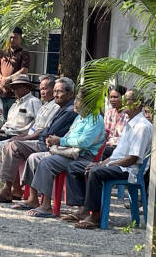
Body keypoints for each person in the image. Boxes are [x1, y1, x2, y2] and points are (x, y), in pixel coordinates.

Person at [61, 89, 152, 229]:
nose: (123, 103)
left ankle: (95, 216)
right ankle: (82, 209)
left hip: (129, 170)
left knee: (96, 172)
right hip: (118, 164)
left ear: (138, 104)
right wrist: (101, 163)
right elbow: (117, 154)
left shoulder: (142, 126)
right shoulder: (130, 123)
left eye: (127, 100)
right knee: (75, 167)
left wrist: (103, 166)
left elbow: (131, 159)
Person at [0, 77, 77, 203]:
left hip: (49, 145)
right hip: (41, 140)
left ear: (70, 94)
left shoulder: (68, 110)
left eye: (59, 91)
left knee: (13, 146)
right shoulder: (58, 107)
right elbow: (45, 129)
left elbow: (49, 131)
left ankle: (10, 189)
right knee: (5, 145)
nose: (55, 94)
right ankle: (12, 188)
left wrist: (25, 136)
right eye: (55, 91)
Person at [22, 89, 106, 217]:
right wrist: (55, 141)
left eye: (78, 99)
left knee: (46, 162)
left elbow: (84, 142)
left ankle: (46, 206)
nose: (75, 102)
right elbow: (69, 136)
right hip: (69, 153)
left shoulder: (95, 119)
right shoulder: (79, 117)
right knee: (33, 158)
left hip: (82, 156)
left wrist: (60, 141)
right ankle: (33, 199)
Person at [0, 27, 30, 117]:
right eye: (10, 37)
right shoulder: (1, 52)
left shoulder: (24, 53)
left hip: (15, 95)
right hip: (0, 93)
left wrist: (9, 78)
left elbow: (24, 70)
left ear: (20, 38)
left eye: (15, 37)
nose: (12, 40)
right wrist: (1, 78)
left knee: (12, 118)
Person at [102, 85, 128, 159]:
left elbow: (125, 139)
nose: (112, 100)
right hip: (107, 147)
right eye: (111, 97)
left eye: (115, 97)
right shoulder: (109, 114)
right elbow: (104, 133)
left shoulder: (128, 115)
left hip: (121, 148)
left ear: (123, 98)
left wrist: (109, 143)